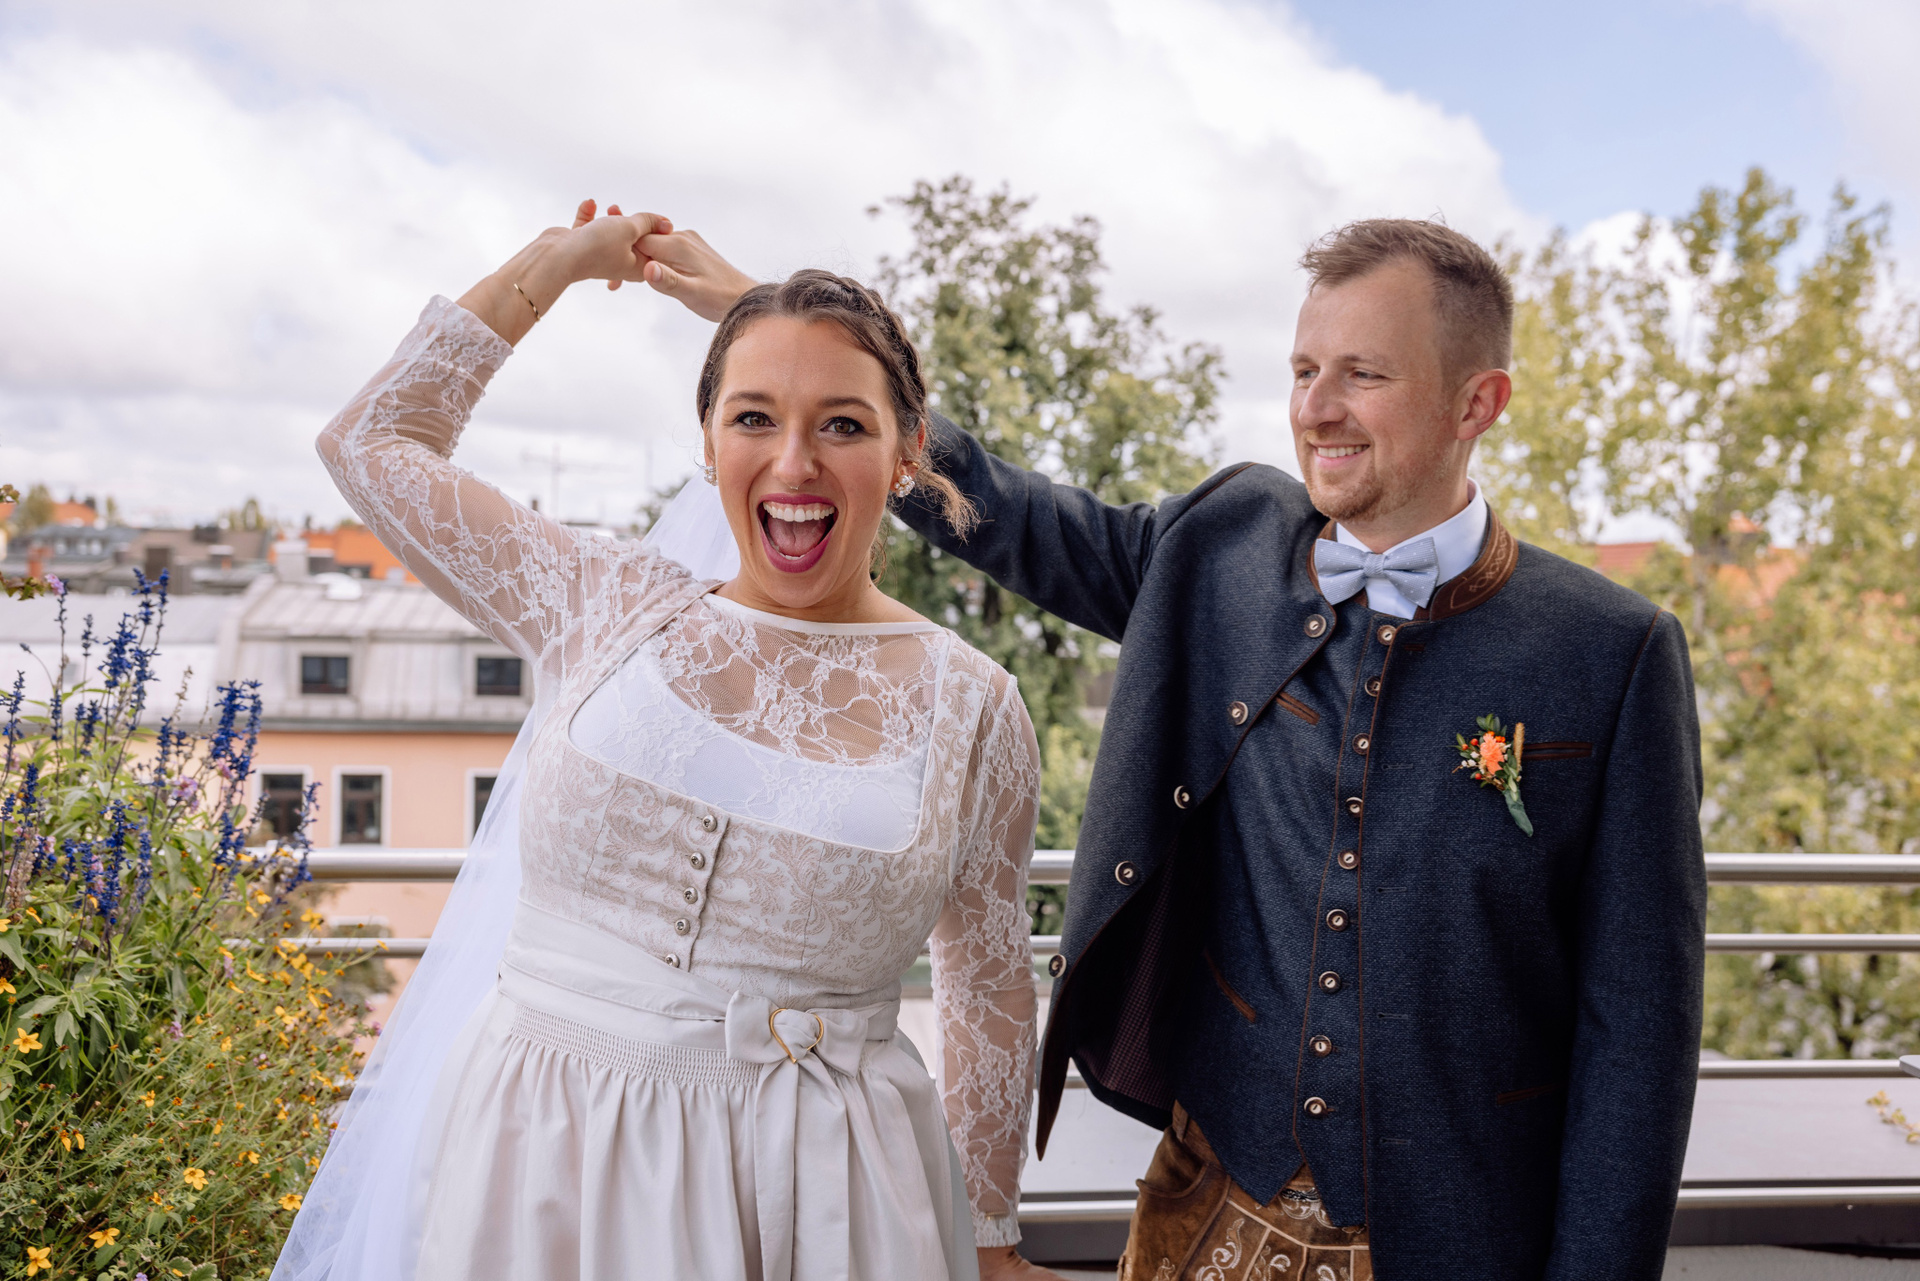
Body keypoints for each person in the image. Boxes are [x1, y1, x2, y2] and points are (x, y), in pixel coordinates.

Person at [647, 217, 1706, 1276]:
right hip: (1207, 1208)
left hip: (1466, 1241)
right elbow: (1014, 515)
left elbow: (1639, 1038)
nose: (1317, 409)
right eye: (1304, 370)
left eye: (1363, 374)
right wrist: (790, 338)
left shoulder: (1611, 653)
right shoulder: (1224, 545)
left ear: (1478, 402)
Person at [273, 202, 1068, 1281]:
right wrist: (556, 264)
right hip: (539, 1175)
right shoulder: (598, 603)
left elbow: (986, 981)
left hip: (828, 1204)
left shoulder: (974, 705)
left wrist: (991, 1236)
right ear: (708, 443)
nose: (794, 463)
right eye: (753, 418)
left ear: (906, 453)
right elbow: (370, 442)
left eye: (843, 425)